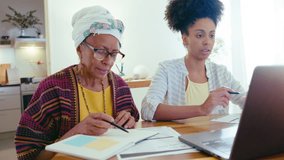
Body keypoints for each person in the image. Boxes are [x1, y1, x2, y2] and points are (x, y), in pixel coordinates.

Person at [15, 6, 139, 160]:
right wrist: (76, 132)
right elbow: (29, 154)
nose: (109, 61)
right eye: (100, 51)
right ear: (80, 49)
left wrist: (129, 121)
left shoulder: (120, 86)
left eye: (114, 54)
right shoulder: (53, 88)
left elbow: (131, 128)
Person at [141, 0, 246, 121]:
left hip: (214, 139)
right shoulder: (167, 70)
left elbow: (244, 99)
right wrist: (202, 109)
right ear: (185, 39)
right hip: (178, 139)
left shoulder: (221, 73)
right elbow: (148, 109)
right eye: (200, 35)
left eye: (211, 35)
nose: (207, 42)